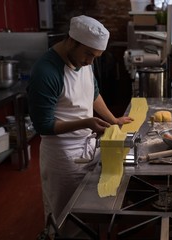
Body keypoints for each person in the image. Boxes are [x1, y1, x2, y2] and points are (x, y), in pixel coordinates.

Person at [27, 15, 133, 221]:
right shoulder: (46, 72)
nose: (90, 62)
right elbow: (43, 125)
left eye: (96, 57)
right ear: (72, 41)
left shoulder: (84, 60)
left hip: (87, 145)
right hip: (62, 155)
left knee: (86, 210)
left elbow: (92, 93)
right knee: (65, 215)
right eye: (89, 54)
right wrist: (87, 122)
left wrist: (114, 120)